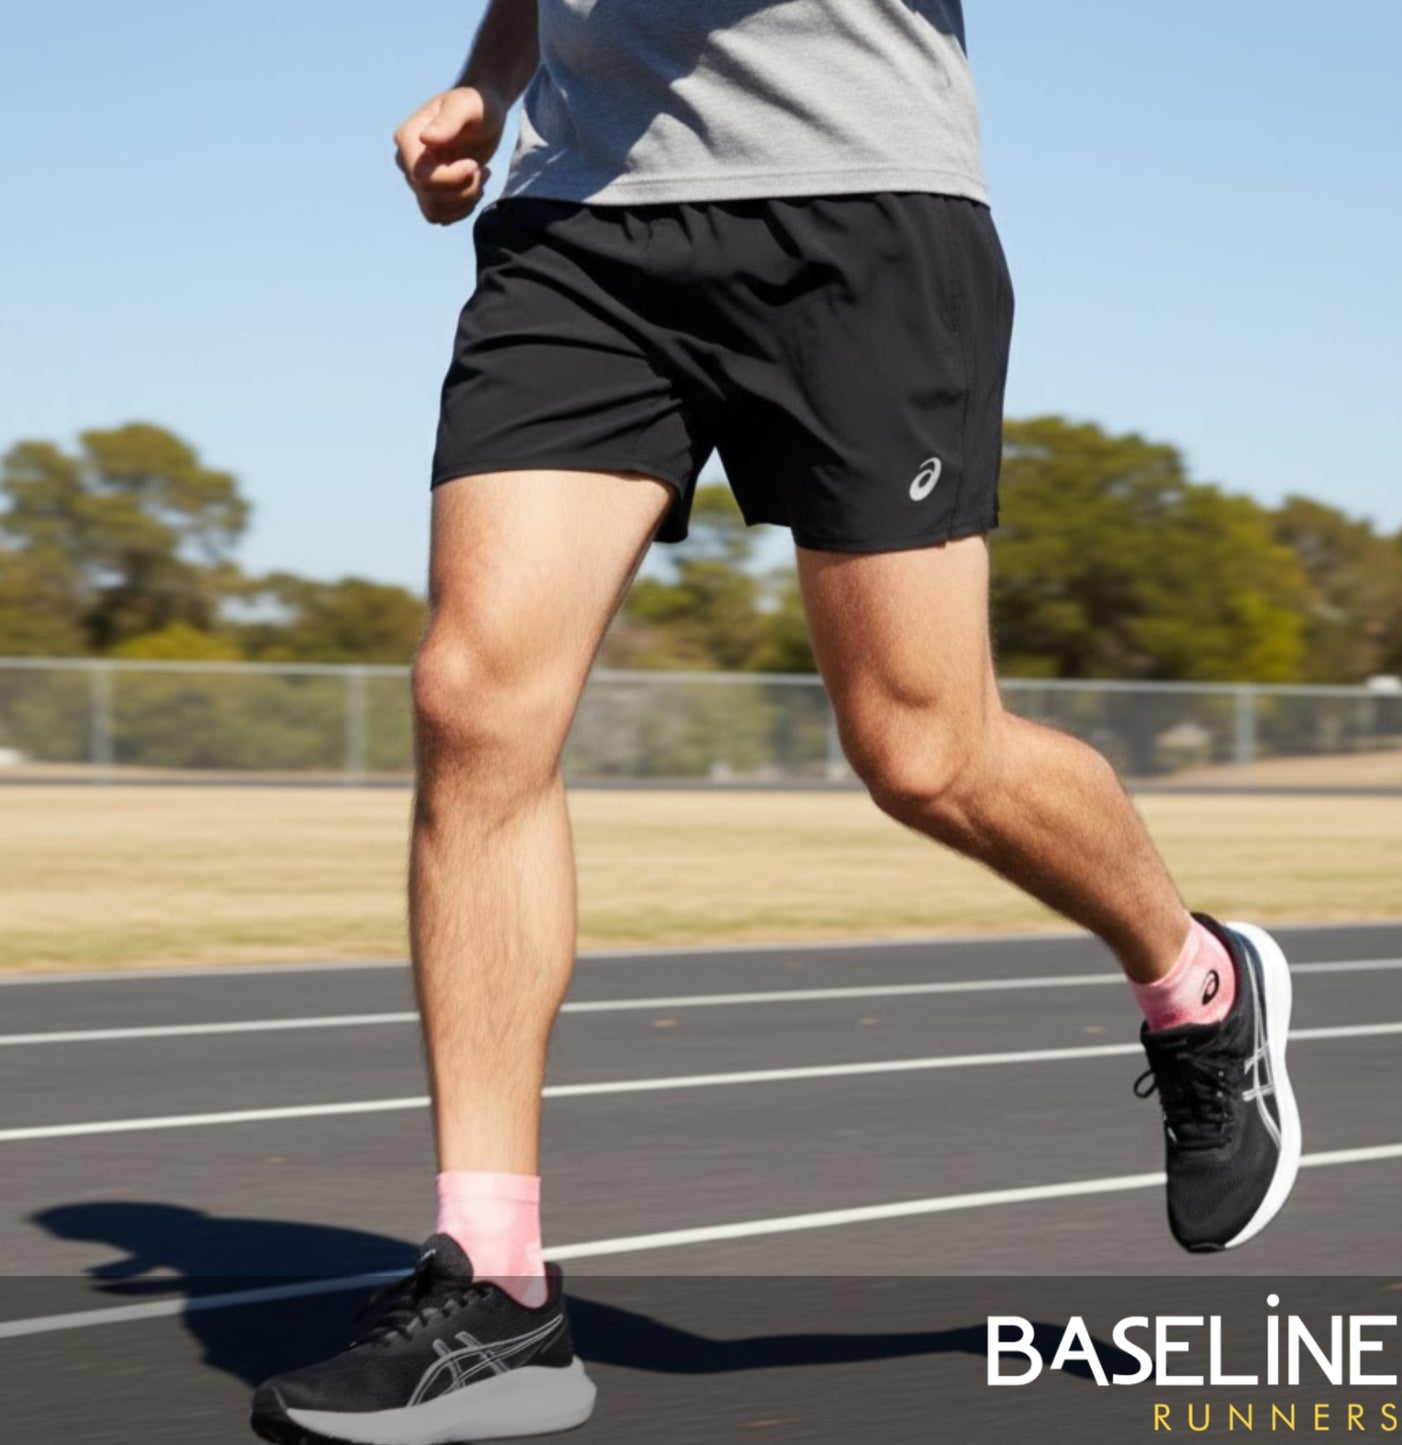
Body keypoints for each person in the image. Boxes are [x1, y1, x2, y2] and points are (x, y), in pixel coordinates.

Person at [251, 3, 1302, 1441]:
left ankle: (1197, 982)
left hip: (857, 203)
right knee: (472, 699)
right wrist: (489, 80)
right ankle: (493, 1285)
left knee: (922, 750)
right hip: (581, 218)